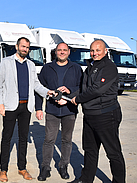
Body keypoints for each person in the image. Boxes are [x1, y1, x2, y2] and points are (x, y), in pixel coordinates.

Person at [0, 37, 55, 182]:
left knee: (23, 139)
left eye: (27, 47)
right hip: (10, 106)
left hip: (26, 106)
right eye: (22, 46)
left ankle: (22, 167)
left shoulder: (31, 65)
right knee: (7, 138)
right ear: (17, 46)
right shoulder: (6, 62)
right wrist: (0, 104)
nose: (25, 49)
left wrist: (48, 92)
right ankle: (3, 169)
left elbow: (36, 85)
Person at [70, 40, 126, 183]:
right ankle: (86, 179)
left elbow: (97, 90)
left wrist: (78, 99)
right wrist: (69, 95)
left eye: (98, 50)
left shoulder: (109, 67)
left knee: (113, 152)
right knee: (90, 150)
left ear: (105, 50)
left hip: (106, 115)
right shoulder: (90, 67)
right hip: (90, 115)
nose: (94, 53)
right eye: (92, 50)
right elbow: (84, 88)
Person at [35, 42, 82, 181]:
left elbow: (82, 88)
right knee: (49, 140)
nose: (62, 52)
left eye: (64, 50)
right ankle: (45, 168)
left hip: (69, 110)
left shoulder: (76, 68)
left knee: (66, 140)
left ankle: (63, 166)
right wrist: (38, 108)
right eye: (59, 50)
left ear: (69, 52)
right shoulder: (47, 68)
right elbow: (38, 88)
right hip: (52, 110)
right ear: (55, 52)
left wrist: (70, 93)